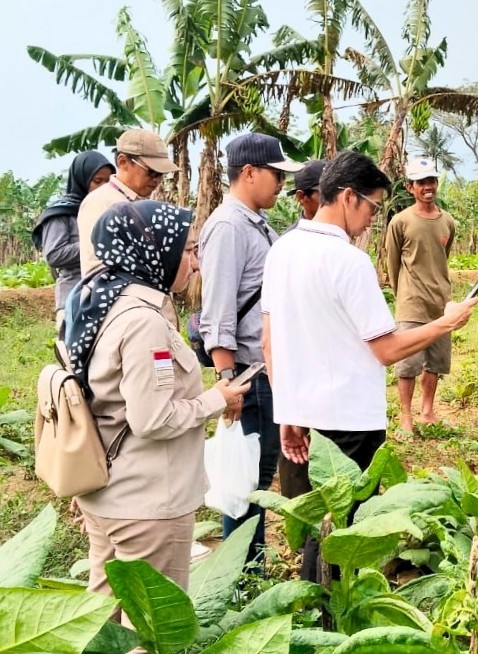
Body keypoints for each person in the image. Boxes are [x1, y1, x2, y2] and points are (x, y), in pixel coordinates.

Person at [262, 151, 476, 581]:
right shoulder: (349, 260)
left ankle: (315, 618)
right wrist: (444, 323)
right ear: (347, 197)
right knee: (345, 533)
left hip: (302, 417)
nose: (372, 220)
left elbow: (271, 342)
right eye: (373, 208)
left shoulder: (281, 250)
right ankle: (334, 625)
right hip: (349, 422)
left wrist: (287, 411)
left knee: (316, 529)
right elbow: (387, 349)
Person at [66, 200, 249, 605]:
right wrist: (214, 399)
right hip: (147, 503)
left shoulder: (98, 303)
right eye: (187, 250)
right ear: (154, 252)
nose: (196, 263)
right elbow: (152, 418)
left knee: (104, 621)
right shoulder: (144, 322)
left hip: (110, 494)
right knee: (150, 631)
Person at [198, 133, 302, 569]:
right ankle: (241, 577)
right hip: (246, 372)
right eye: (276, 174)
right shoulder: (227, 227)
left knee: (256, 479)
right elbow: (217, 310)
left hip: (261, 370)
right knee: (246, 485)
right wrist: (228, 381)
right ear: (249, 173)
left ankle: (247, 571)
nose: (281, 182)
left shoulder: (255, 223)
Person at [385, 157, 456, 433]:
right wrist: (402, 293)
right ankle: (405, 416)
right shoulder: (400, 222)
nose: (428, 187)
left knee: (436, 362)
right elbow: (392, 263)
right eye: (421, 182)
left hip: (441, 303)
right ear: (410, 187)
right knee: (408, 363)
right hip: (411, 303)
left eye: (432, 181)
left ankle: (427, 410)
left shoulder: (447, 221)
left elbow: (442, 258)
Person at [78, 129, 179, 277]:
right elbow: (99, 266)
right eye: (152, 172)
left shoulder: (135, 202)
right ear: (123, 162)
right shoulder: (102, 202)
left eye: (161, 174)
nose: (157, 179)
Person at [31, 151, 115, 326]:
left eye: (108, 181)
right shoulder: (62, 213)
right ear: (81, 181)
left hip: (108, 295)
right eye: (97, 181)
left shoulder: (110, 210)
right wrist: (97, 244)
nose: (103, 187)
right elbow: (54, 254)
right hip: (75, 295)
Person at [285, 159, 326, 228]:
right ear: (301, 197)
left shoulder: (345, 229)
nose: (333, 199)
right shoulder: (292, 237)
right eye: (325, 194)